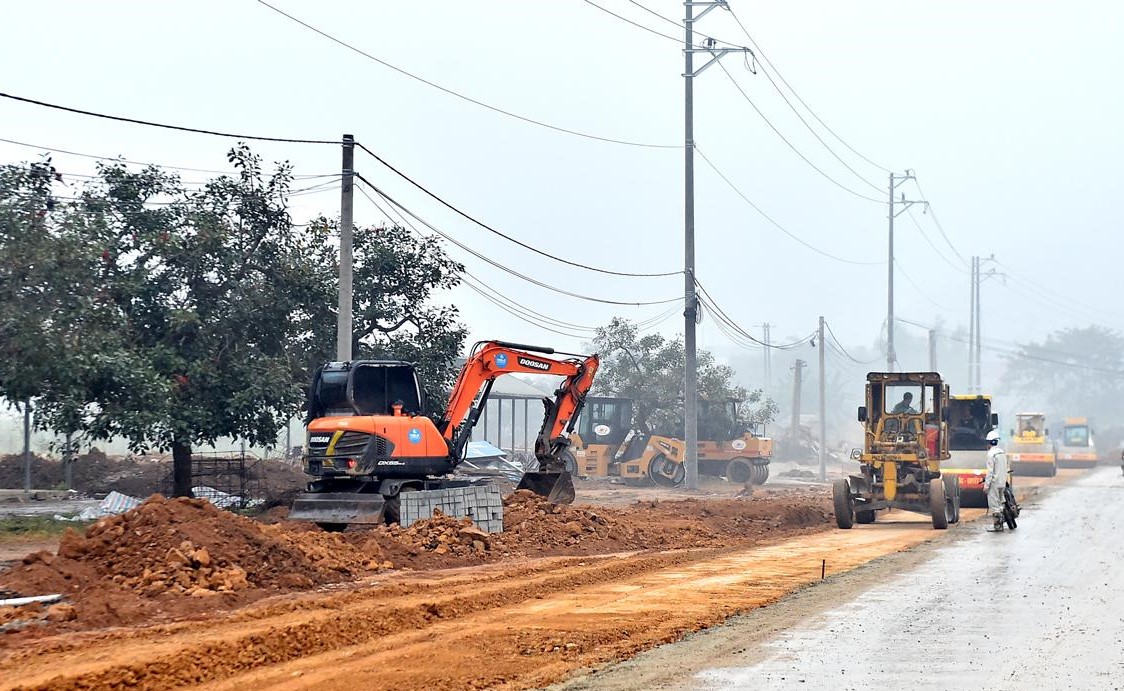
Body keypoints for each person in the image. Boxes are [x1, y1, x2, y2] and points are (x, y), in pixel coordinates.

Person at [984, 429, 1010, 532]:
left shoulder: (991, 454)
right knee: (1000, 504)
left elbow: (990, 472)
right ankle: (1001, 524)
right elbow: (1006, 468)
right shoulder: (1002, 453)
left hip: (994, 483)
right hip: (1002, 482)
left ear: (989, 442)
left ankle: (998, 526)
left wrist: (986, 485)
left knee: (994, 505)